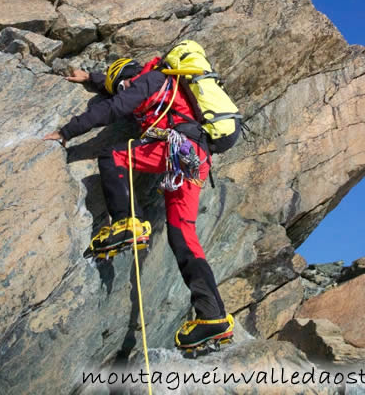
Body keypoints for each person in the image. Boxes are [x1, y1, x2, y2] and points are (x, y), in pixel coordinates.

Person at [44, 50, 234, 348]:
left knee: (115, 154)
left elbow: (115, 106)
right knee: (182, 235)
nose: (123, 90)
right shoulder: (159, 82)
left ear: (131, 77)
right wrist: (92, 79)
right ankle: (213, 317)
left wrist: (66, 132)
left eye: (122, 84)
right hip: (194, 157)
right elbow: (115, 86)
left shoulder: (151, 79)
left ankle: (125, 223)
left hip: (177, 147)